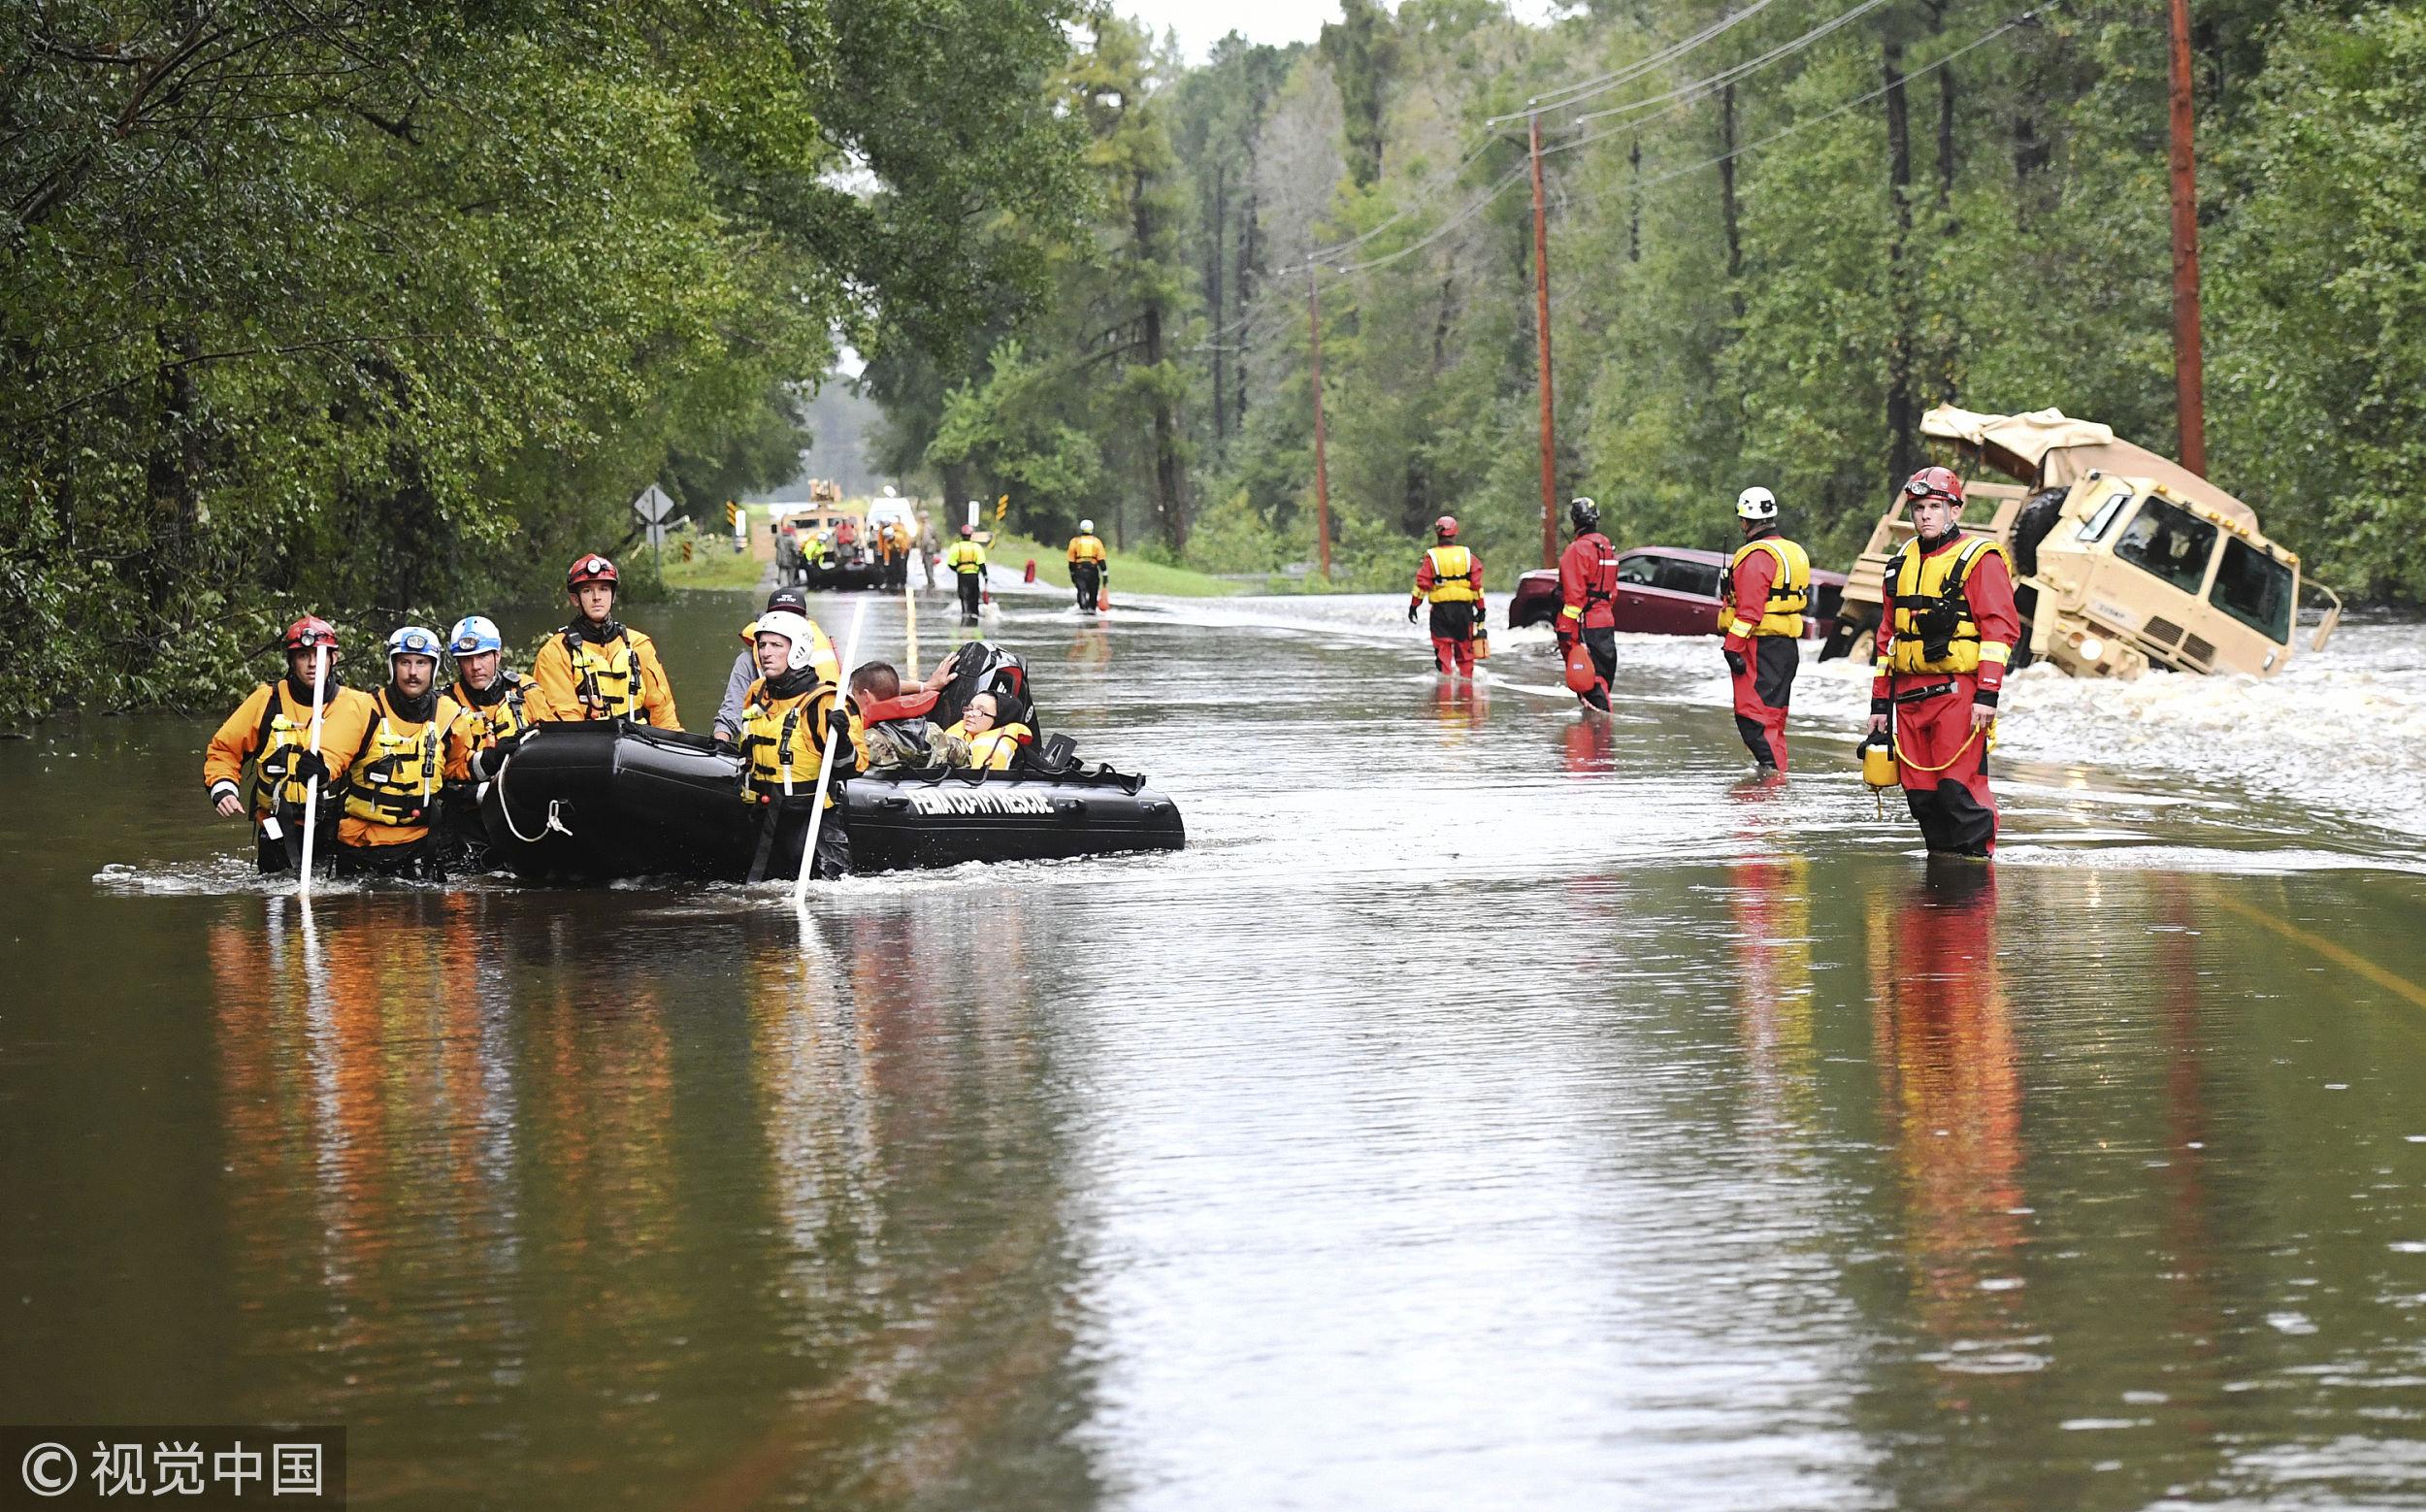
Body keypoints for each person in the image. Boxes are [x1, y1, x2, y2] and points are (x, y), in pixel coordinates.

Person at [1866, 466, 2020, 857]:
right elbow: (1888, 639)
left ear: (1954, 509)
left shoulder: (1979, 559)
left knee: (1959, 791)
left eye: (1935, 506)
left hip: (1958, 695)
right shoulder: (1900, 562)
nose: (1926, 515)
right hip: (1909, 698)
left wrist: (1987, 695)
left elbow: (1999, 631)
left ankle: (1975, 876)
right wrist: (1879, 705)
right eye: (1918, 507)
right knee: (1922, 797)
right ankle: (1943, 877)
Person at [204, 616, 377, 872]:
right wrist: (223, 787)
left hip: (333, 829)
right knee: (275, 901)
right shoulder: (266, 700)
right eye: (303, 655)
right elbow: (224, 750)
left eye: (319, 655)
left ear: (334, 659)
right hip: (276, 824)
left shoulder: (359, 705)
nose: (312, 664)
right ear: (291, 660)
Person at [334, 625, 477, 879]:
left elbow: (458, 769)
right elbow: (334, 754)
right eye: (405, 663)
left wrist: (491, 765)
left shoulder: (450, 716)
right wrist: (321, 767)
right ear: (392, 666)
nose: (413, 672)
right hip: (362, 845)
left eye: (421, 663)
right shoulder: (363, 709)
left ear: (433, 668)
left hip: (420, 846)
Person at [737, 608, 855, 879]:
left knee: (828, 897)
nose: (766, 652)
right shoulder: (756, 693)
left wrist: (843, 741)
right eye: (762, 644)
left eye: (776, 645)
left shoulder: (825, 701)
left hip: (812, 820)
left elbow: (852, 768)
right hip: (765, 815)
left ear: (798, 649)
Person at [526, 553, 680, 727]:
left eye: (603, 589)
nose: (596, 597)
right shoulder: (555, 652)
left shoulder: (639, 644)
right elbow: (565, 720)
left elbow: (663, 712)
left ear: (613, 596)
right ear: (575, 599)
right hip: (587, 746)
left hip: (639, 743)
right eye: (587, 590)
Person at [1719, 486, 1812, 772]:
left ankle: (1772, 783)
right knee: (1772, 718)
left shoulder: (1756, 555)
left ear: (1745, 521)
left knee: (1755, 719)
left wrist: (1731, 648)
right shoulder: (1791, 550)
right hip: (1784, 646)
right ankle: (1771, 781)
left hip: (1760, 648)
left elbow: (1749, 611)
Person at [714, 587, 835, 748]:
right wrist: (719, 746)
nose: (784, 622)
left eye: (793, 616)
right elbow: (731, 713)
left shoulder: (821, 655)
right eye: (779, 616)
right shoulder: (749, 663)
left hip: (806, 753)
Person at [1556, 497, 1621, 711]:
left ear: (1574, 521)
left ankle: (1602, 734)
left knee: (1590, 684)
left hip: (1585, 625)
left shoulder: (1576, 550)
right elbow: (1611, 592)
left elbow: (1574, 596)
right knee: (1601, 678)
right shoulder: (1606, 547)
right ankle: (1598, 735)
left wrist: (1565, 629)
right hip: (1605, 622)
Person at [1407, 514, 1486, 677]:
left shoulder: (1432, 557)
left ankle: (1444, 695)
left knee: (1443, 652)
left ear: (1438, 534)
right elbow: (1477, 585)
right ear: (1455, 534)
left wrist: (1414, 606)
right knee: (1465, 653)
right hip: (1464, 611)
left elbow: (1422, 585)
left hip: (1441, 611)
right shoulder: (1467, 556)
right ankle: (1467, 692)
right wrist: (1481, 609)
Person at [845, 661, 947, 769]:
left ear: (866, 696)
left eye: (854, 695)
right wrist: (924, 686)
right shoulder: (934, 732)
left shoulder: (866, 741)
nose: (853, 702)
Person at [938, 690, 1033, 771]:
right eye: (970, 708)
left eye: (980, 711)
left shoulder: (1021, 755)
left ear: (999, 719)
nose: (970, 714)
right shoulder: (959, 738)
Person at [943, 523, 987, 622]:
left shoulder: (956, 547)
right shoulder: (976, 547)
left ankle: (965, 613)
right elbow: (981, 563)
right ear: (971, 535)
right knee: (974, 596)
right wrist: (985, 575)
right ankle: (975, 614)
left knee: (964, 596)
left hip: (962, 576)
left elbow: (951, 563)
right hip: (974, 576)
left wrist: (958, 569)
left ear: (961, 535)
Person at [1067, 519, 1109, 612]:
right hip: (1093, 570)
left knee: (1081, 590)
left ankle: (1082, 607)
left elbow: (1071, 561)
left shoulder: (1075, 542)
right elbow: (1101, 560)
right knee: (1093, 592)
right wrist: (1105, 575)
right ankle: (1092, 609)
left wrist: (1072, 574)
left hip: (1079, 570)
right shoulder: (1097, 542)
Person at [918, 510, 939, 589]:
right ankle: (930, 581)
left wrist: (922, 549)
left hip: (927, 549)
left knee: (928, 566)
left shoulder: (926, 527)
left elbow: (925, 540)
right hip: (930, 548)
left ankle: (931, 582)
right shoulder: (930, 525)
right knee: (929, 565)